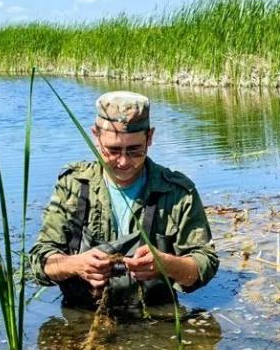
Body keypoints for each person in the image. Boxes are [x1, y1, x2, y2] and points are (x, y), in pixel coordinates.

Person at [29, 90, 218, 309]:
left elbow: (205, 263)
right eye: (113, 150)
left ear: (149, 137)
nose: (123, 162)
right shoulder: (73, 185)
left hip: (155, 314)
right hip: (83, 313)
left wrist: (166, 264)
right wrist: (75, 264)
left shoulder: (178, 192)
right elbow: (40, 261)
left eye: (135, 150)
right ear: (96, 136)